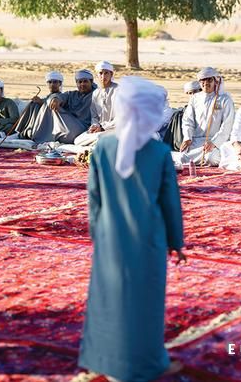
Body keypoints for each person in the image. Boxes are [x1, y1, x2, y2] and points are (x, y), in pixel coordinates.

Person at [78, 76, 186, 381]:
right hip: (147, 242)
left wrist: (99, 234)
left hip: (110, 239)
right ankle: (145, 365)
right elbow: (169, 204)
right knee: (143, 304)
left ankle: (105, 359)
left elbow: (94, 199)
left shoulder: (104, 147)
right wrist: (176, 242)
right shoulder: (159, 153)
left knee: (110, 299)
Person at [177, 67, 235, 166]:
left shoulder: (225, 99)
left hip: (217, 142)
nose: (206, 83)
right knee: (182, 157)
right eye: (202, 80)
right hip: (196, 141)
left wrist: (214, 142)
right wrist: (187, 137)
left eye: (209, 80)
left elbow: (227, 125)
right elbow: (188, 120)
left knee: (211, 158)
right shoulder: (195, 98)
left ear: (216, 81)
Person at [74, 61, 118, 146]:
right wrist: (95, 126)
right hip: (99, 131)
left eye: (106, 73)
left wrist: (103, 128)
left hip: (114, 129)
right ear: (97, 75)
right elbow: (94, 116)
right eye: (100, 73)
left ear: (111, 74)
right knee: (78, 140)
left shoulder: (118, 90)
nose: (103, 76)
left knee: (106, 137)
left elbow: (122, 118)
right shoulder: (96, 93)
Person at [15, 70, 64, 141]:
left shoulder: (61, 97)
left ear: (60, 84)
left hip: (52, 124)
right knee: (33, 104)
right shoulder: (47, 97)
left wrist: (41, 103)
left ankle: (33, 131)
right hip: (40, 123)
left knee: (37, 105)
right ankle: (28, 130)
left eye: (55, 82)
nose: (52, 84)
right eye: (50, 82)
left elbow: (54, 109)